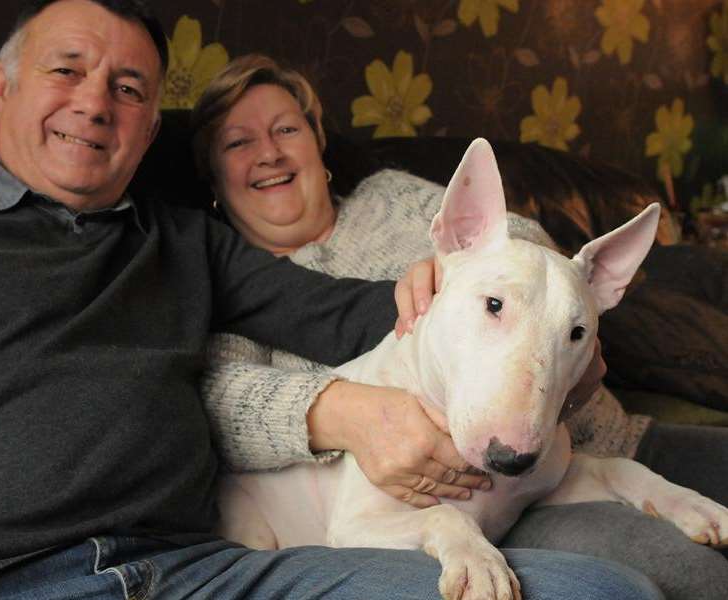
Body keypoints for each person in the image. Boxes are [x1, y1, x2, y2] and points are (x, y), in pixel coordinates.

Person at [0, 2, 664, 599]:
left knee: (603, 591)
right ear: (0, 87)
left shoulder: (183, 240)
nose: (93, 102)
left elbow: (338, 312)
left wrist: (459, 293)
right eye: (67, 70)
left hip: (202, 568)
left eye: (128, 88)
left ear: (150, 128)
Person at [191, 53, 728, 600]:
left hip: (595, 440)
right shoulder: (222, 288)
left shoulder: (390, 199)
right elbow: (214, 402)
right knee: (695, 577)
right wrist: (341, 411)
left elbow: (527, 252)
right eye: (239, 142)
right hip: (392, 523)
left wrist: (480, 270)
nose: (270, 152)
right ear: (213, 175)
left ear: (318, 143)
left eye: (287, 128)